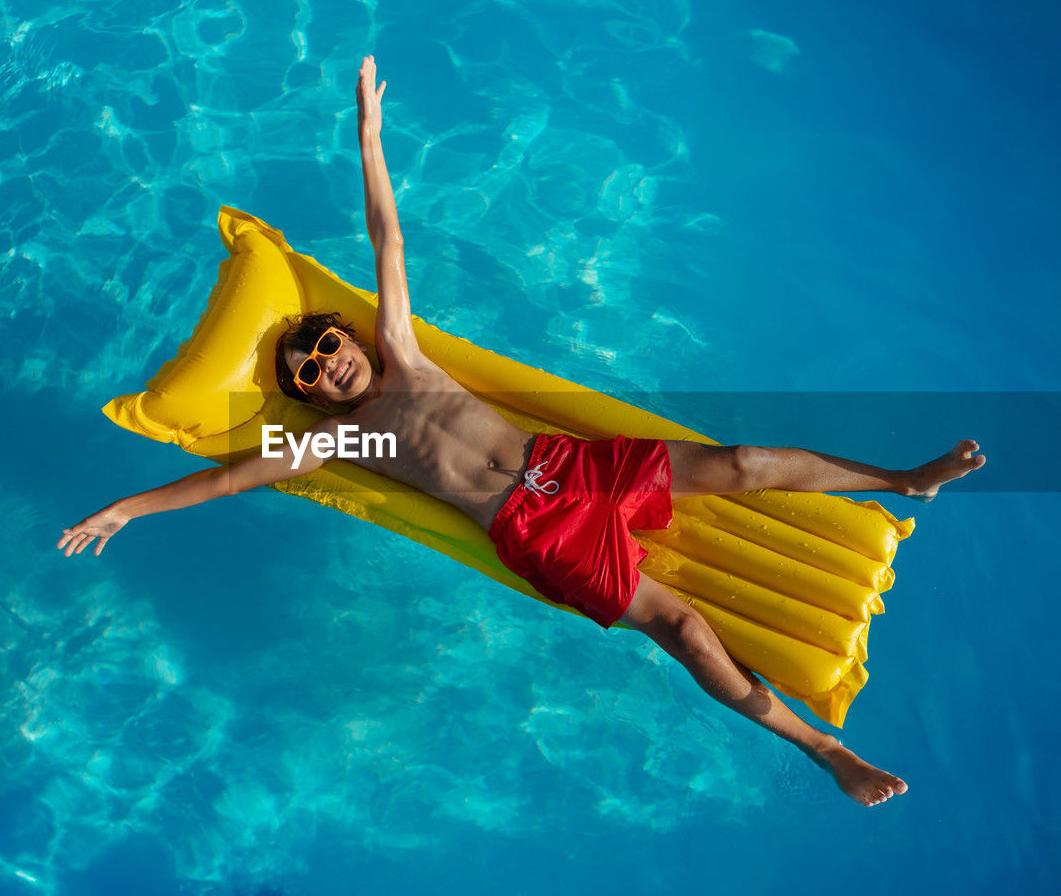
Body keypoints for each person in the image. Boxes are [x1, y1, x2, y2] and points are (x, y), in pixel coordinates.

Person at [59, 56, 985, 806]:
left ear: (350, 338)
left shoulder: (406, 355)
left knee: (742, 460)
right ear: (315, 398)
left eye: (325, 345)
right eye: (306, 373)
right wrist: (130, 509)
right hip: (539, 533)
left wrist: (370, 141)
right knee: (692, 634)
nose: (323, 364)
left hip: (575, 465)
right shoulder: (347, 442)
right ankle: (827, 752)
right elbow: (226, 479)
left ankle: (900, 478)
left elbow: (388, 241)